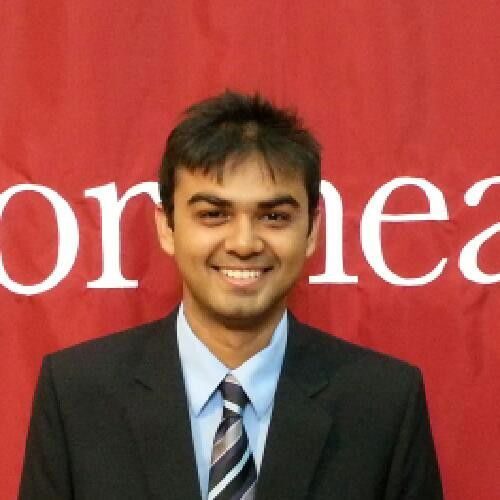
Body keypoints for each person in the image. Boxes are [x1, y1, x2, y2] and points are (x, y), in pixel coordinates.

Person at [19, 91, 443, 499]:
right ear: (167, 226)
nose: (244, 242)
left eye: (274, 216)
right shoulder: (77, 395)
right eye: (213, 214)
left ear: (312, 231)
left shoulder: (383, 403)